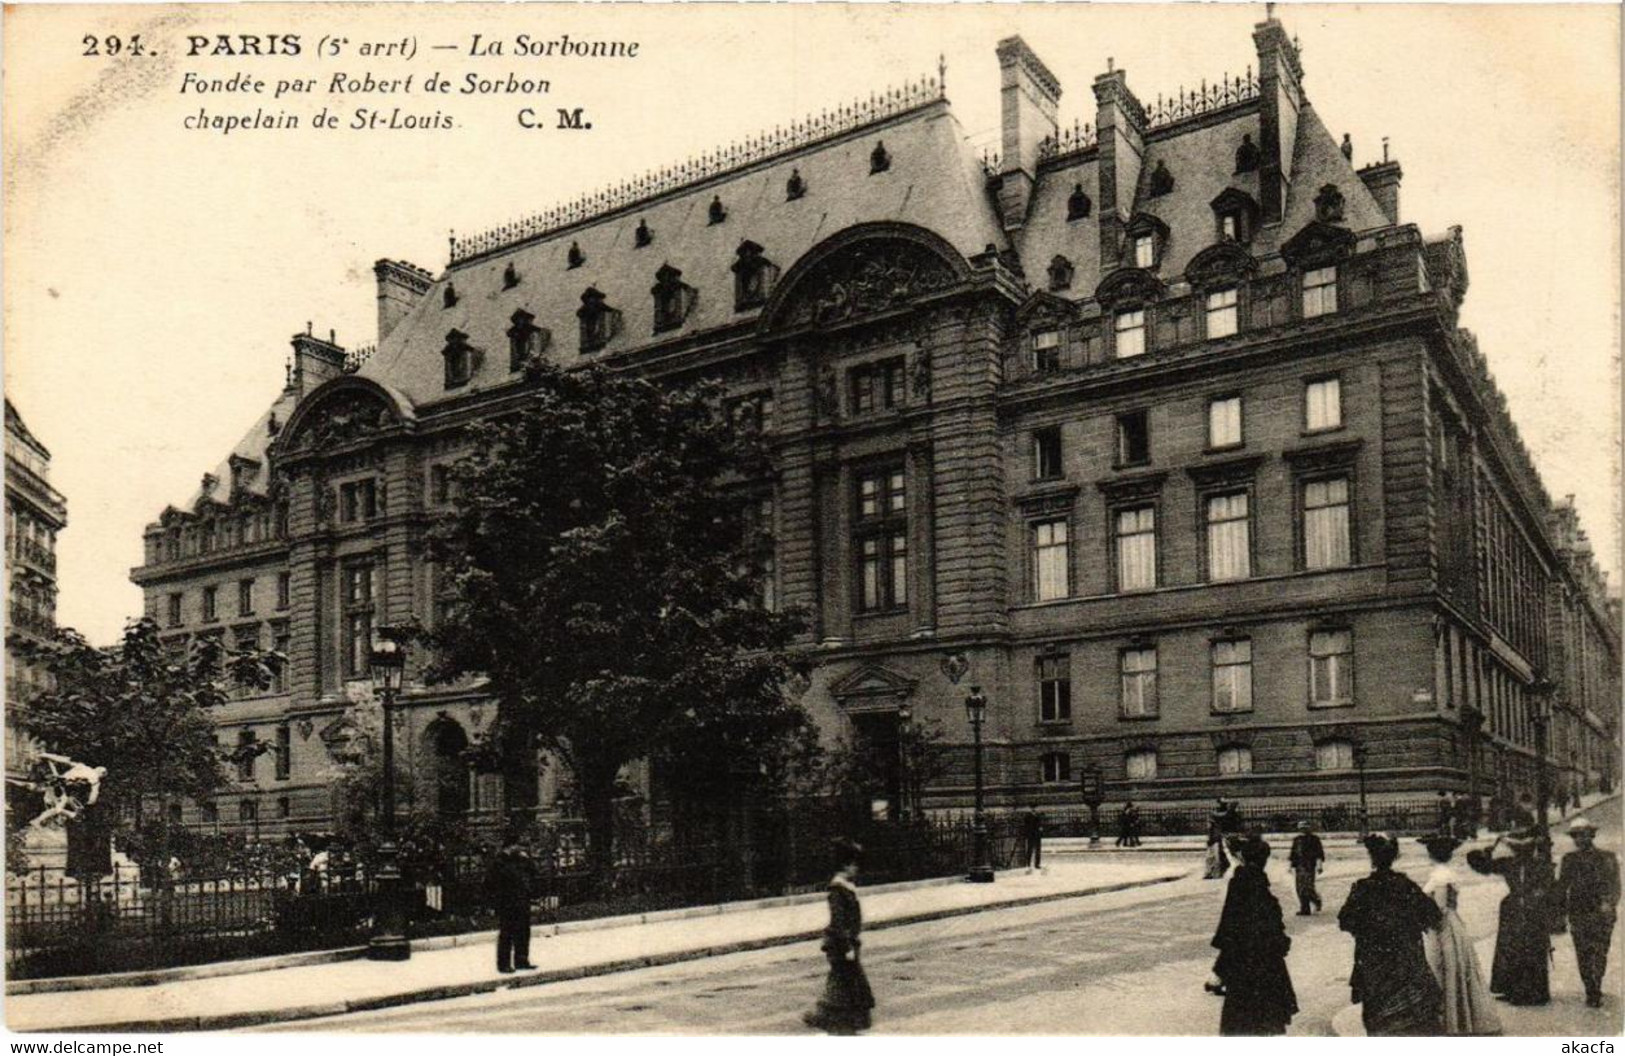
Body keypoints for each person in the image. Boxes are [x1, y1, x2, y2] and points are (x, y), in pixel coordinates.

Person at [1339, 832, 1444, 1036]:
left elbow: (1345, 921)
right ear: (1395, 856)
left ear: (1372, 857)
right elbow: (1432, 914)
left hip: (1374, 960)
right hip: (1406, 958)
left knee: (1378, 1014)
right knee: (1415, 1016)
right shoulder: (1407, 886)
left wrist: (1368, 929)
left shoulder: (1363, 888)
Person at [1210, 835, 1297, 1035]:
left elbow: (1228, 928)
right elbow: (1273, 930)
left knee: (1242, 1022)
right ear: (1264, 860)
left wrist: (1221, 967)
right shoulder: (1259, 887)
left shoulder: (1239, 883)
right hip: (1265, 965)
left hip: (1242, 965)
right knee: (1265, 1022)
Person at [1419, 834, 1501, 1035]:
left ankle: (1450, 1021)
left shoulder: (1440, 876)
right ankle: (1455, 1017)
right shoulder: (1446, 872)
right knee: (1453, 971)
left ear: (1432, 854)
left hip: (1443, 928)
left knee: (1443, 970)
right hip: (1452, 925)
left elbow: (1440, 909)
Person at [1465, 830, 1555, 1006]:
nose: (1521, 852)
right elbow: (1479, 863)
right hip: (1514, 908)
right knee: (1511, 948)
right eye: (1518, 849)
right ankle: (1512, 988)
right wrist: (1488, 851)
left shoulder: (1539, 864)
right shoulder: (1511, 863)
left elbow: (1550, 889)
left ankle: (1533, 992)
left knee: (1530, 947)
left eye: (1525, 849)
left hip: (1530, 909)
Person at [804, 838, 874, 1035]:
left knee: (844, 982)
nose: (857, 869)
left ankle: (836, 1019)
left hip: (847, 943)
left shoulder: (846, 888)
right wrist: (847, 946)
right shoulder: (837, 890)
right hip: (841, 945)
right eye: (854, 865)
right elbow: (838, 922)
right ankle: (828, 1018)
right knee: (845, 981)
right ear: (846, 865)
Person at [1558, 816, 1620, 1008]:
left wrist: (1608, 903)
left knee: (1600, 951)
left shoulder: (1607, 857)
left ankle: (1597, 985)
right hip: (1578, 913)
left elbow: (1615, 885)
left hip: (1602, 913)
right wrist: (1559, 912)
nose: (1578, 839)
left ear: (1591, 835)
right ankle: (1590, 988)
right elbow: (1562, 887)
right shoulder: (1569, 859)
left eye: (1582, 835)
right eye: (1575, 836)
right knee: (1583, 952)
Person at [485, 832, 538, 973]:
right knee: (507, 933)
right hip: (507, 902)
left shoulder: (520, 860)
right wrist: (493, 904)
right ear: (511, 845)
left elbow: (533, 873)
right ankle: (504, 964)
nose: (521, 849)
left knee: (523, 932)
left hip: (521, 901)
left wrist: (528, 860)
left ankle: (522, 960)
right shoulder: (499, 862)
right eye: (518, 845)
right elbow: (491, 884)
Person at [1288, 820, 1325, 915]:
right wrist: (1291, 866)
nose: (1303, 830)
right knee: (1299, 888)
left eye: (1305, 828)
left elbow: (1319, 854)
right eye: (1301, 828)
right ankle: (1305, 908)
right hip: (1299, 867)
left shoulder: (1314, 839)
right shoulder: (1297, 840)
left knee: (1308, 887)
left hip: (1309, 866)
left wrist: (1319, 865)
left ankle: (1316, 900)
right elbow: (1293, 854)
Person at [1204, 799, 1232, 879]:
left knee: (1214, 856)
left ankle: (1213, 873)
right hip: (1216, 838)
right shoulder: (1218, 815)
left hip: (1216, 838)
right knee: (1215, 856)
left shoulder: (1215, 815)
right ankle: (1213, 873)